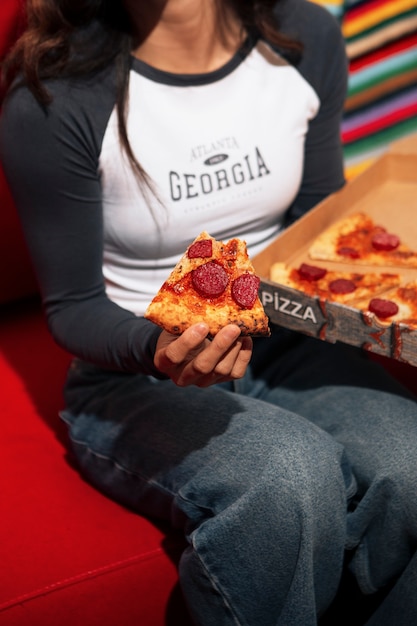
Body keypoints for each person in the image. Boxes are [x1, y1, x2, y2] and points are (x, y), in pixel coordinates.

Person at [1, 0, 417, 624]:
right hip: (132, 372)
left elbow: (318, 228)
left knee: (410, 465)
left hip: (289, 341)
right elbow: (74, 307)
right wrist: (159, 348)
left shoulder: (307, 37)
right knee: (287, 478)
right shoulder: (51, 98)